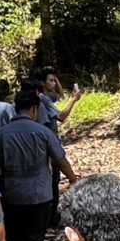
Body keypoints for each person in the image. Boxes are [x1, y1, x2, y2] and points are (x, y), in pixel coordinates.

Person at [0, 90, 78, 241]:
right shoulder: (43, 132)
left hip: (11, 194)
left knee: (14, 234)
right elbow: (60, 161)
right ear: (35, 109)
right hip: (39, 195)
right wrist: (73, 180)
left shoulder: (1, 134)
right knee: (35, 236)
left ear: (16, 108)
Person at [35, 67, 83, 228]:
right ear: (42, 83)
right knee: (53, 179)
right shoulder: (44, 100)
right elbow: (61, 117)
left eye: (55, 80)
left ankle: (51, 216)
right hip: (49, 145)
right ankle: (52, 217)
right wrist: (74, 100)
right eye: (51, 81)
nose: (54, 83)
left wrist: (54, 76)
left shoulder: (47, 97)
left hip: (50, 142)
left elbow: (61, 94)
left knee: (53, 179)